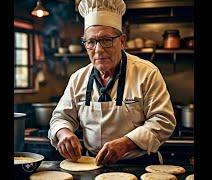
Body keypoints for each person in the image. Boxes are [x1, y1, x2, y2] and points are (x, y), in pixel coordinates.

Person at [48, 0, 176, 166]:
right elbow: (61, 117)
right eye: (91, 42)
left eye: (106, 40)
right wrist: (63, 132)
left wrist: (126, 143)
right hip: (91, 165)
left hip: (139, 164)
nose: (98, 50)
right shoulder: (78, 78)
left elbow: (163, 120)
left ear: (122, 41)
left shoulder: (147, 73)